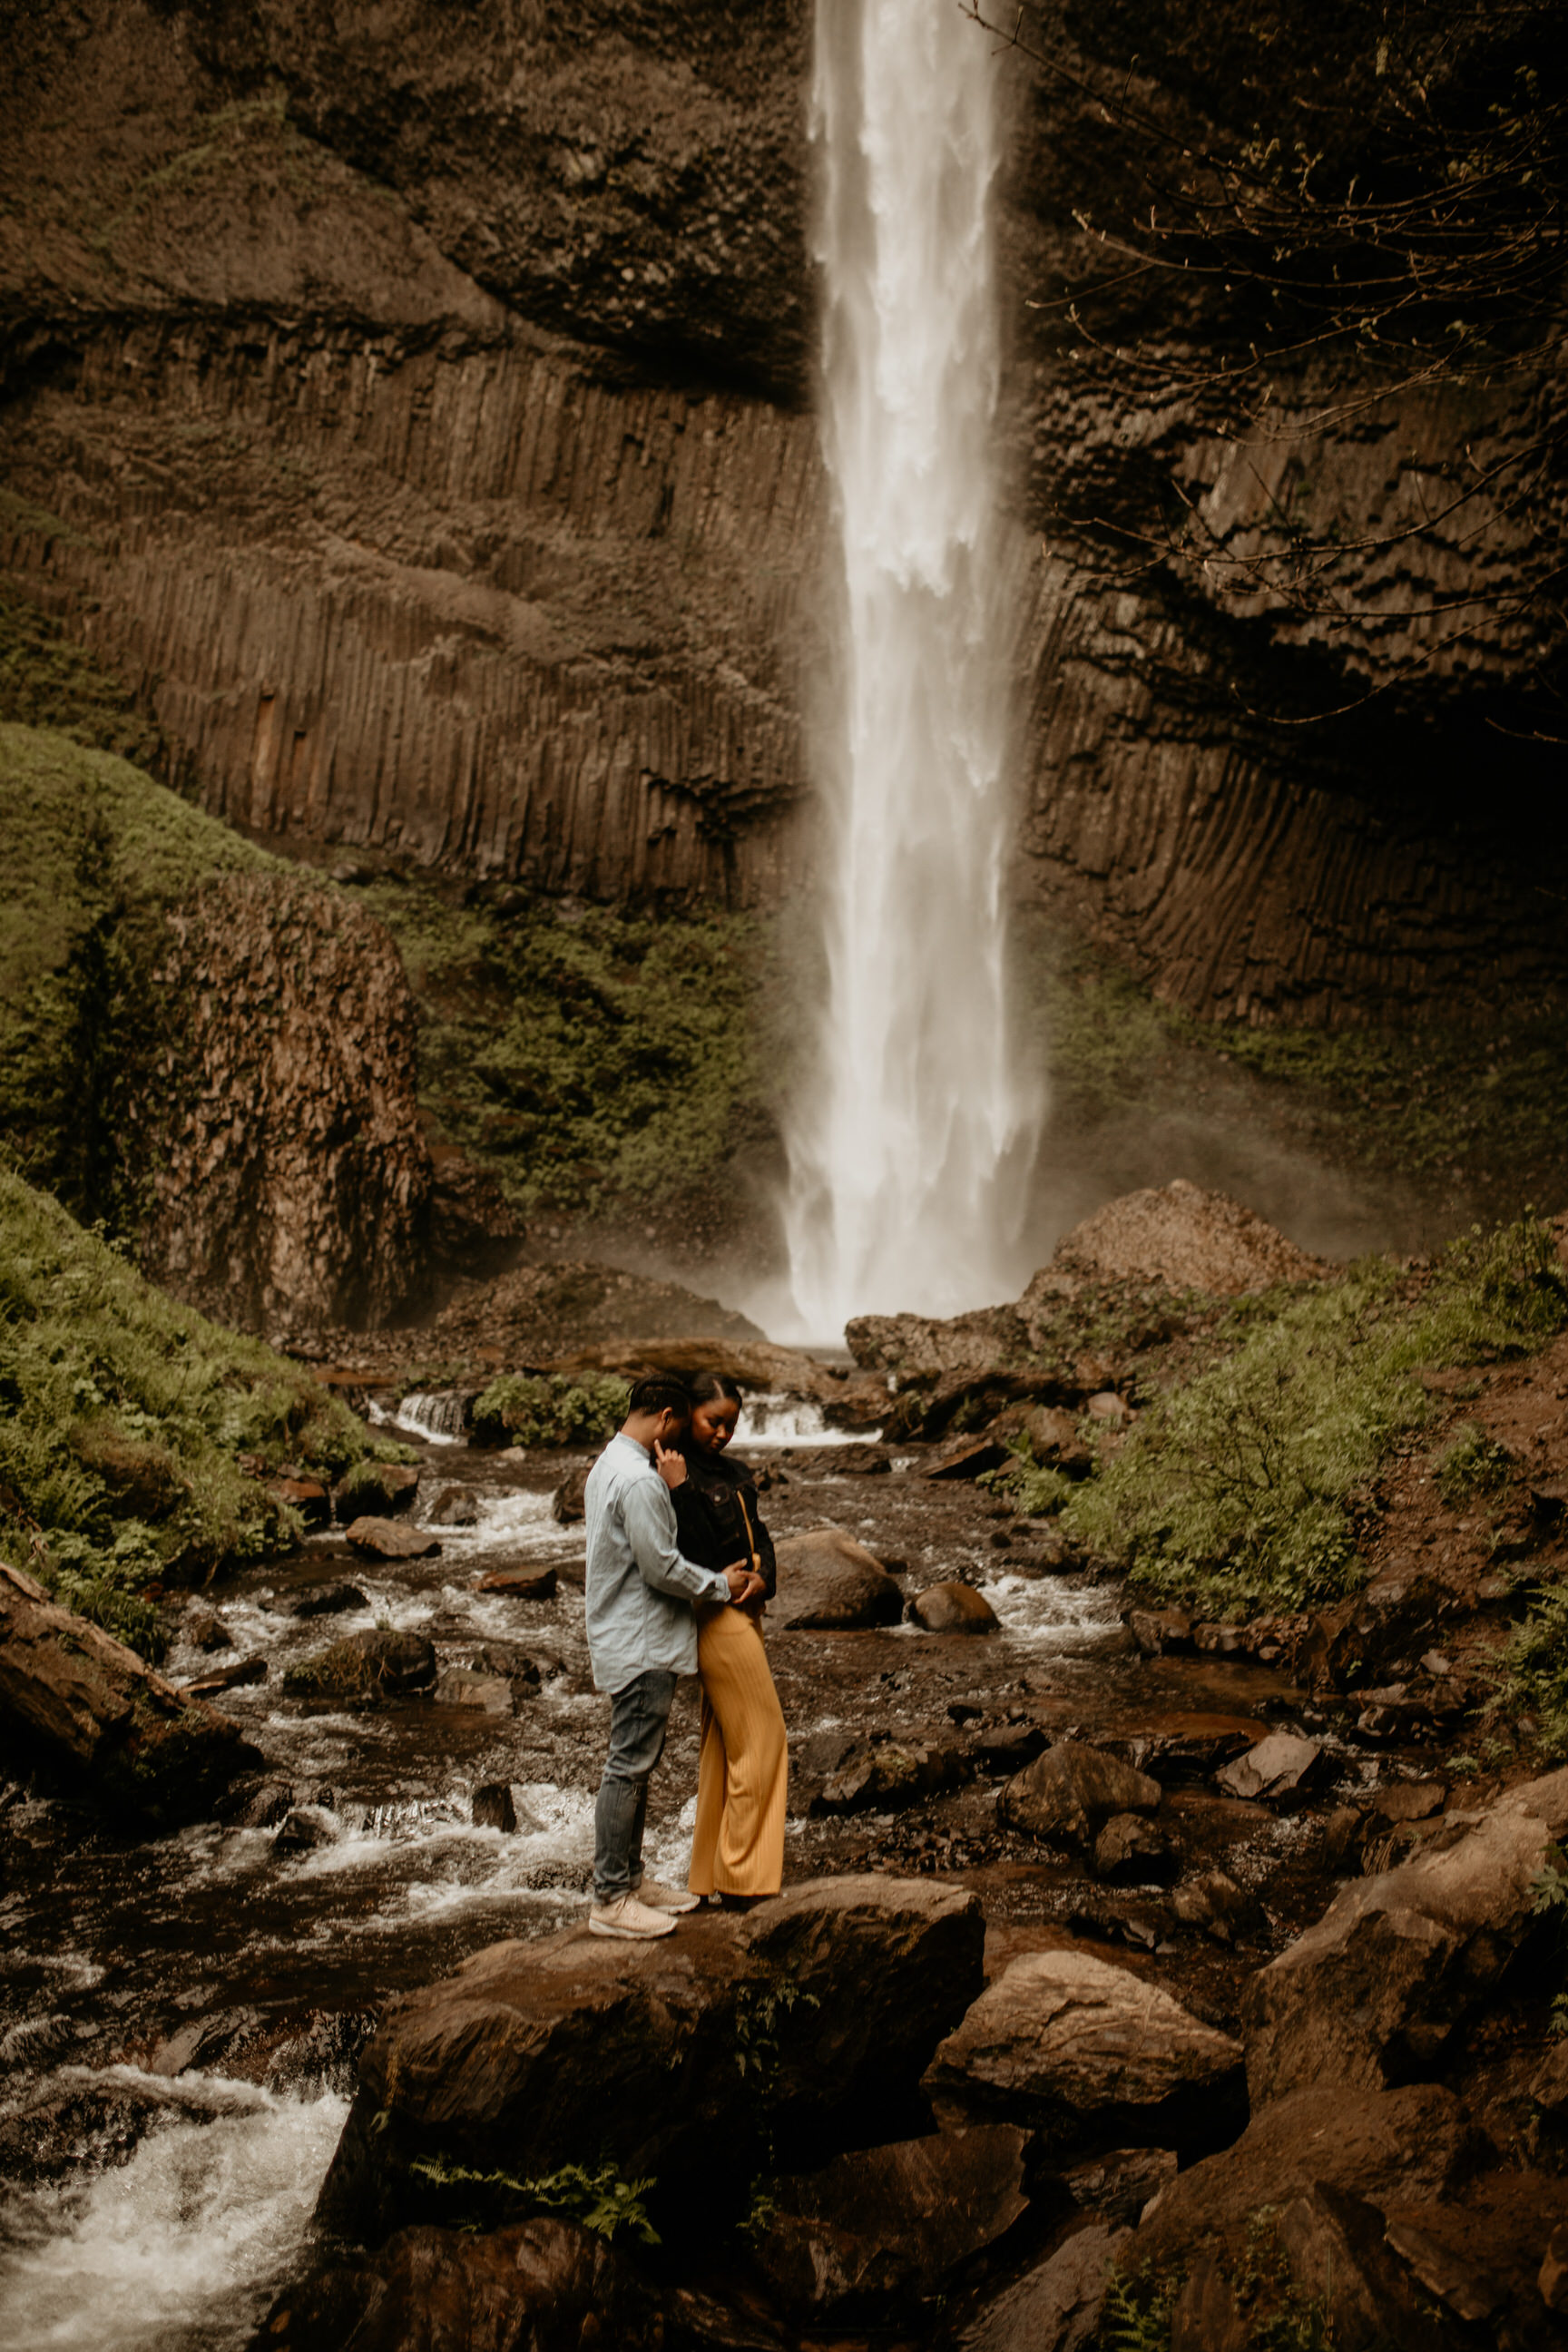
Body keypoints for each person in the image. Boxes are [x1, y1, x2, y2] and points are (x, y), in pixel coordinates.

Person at [583, 1374, 754, 1940]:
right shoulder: (638, 1482)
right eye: (677, 1429)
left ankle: (630, 1879)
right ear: (662, 1419)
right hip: (641, 1640)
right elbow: (661, 1566)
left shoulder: (609, 1462)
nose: (676, 1443)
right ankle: (610, 1898)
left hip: (625, 1632)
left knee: (636, 1764)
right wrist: (722, 1586)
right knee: (627, 1767)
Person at [657, 1372, 787, 1907]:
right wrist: (680, 1487)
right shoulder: (669, 1474)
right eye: (714, 1422)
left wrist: (766, 1579)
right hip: (714, 1613)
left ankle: (711, 1874)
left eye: (732, 1424)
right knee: (764, 1739)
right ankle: (743, 1879)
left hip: (745, 1607)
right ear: (688, 1415)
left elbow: (761, 1535)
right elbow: (695, 1549)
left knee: (726, 1746)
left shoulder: (735, 1472)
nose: (724, 1434)